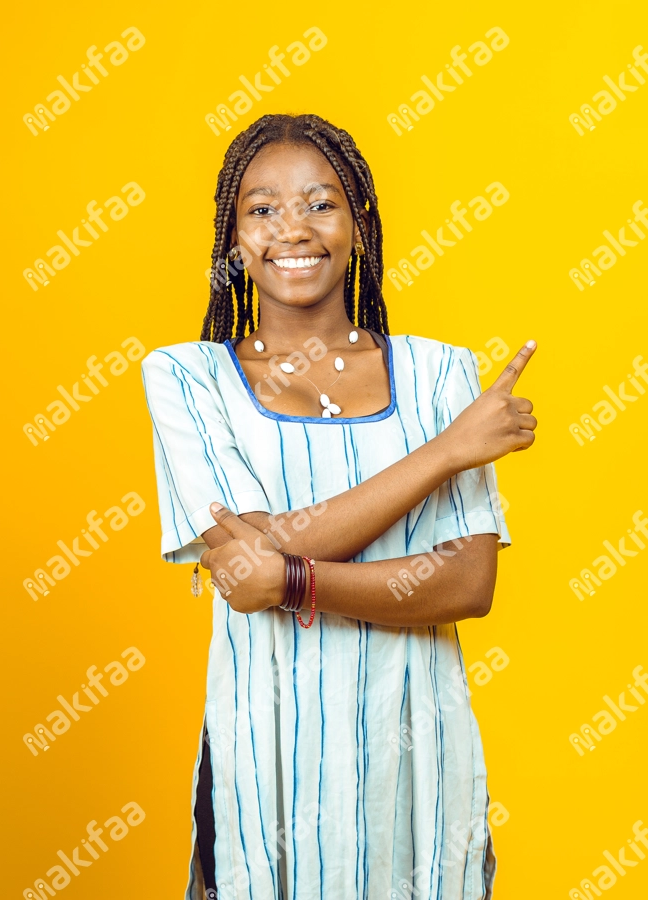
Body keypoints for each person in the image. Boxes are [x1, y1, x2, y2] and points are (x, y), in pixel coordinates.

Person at [141, 113, 537, 900]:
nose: (293, 229)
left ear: (359, 226)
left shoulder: (439, 375)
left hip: (418, 772)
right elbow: (244, 557)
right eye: (261, 209)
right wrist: (444, 453)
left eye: (321, 204)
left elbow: (466, 585)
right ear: (234, 240)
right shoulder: (186, 377)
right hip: (264, 769)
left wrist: (289, 581)